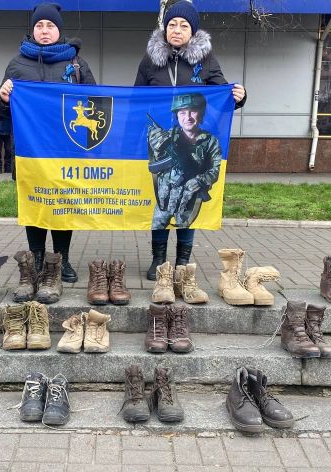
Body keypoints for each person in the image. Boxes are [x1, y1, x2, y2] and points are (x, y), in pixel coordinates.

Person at [134, 0, 247, 280]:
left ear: (192, 31)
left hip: (195, 145)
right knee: (162, 204)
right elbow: (137, 99)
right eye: (172, 24)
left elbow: (221, 94)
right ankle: (159, 261)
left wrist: (239, 97)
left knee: (189, 203)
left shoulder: (205, 60)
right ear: (165, 29)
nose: (177, 29)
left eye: (183, 25)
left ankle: (183, 263)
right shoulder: (150, 60)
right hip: (163, 143)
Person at [0, 2, 96, 282]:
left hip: (66, 151)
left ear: (59, 30)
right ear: (32, 30)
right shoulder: (17, 64)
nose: (44, 30)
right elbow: (1, 112)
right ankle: (37, 260)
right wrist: (2, 99)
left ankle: (60, 261)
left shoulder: (76, 64)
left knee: (63, 206)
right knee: (35, 204)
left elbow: (95, 100)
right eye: (39, 25)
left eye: (50, 25)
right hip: (30, 152)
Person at [148, 93, 222, 229]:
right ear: (177, 116)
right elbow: (156, 165)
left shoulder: (210, 141)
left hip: (189, 199)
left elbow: (215, 170)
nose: (187, 117)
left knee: (184, 235)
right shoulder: (167, 137)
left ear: (201, 114)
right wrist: (155, 145)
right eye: (182, 113)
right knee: (157, 234)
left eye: (193, 111)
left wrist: (199, 181)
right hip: (165, 199)